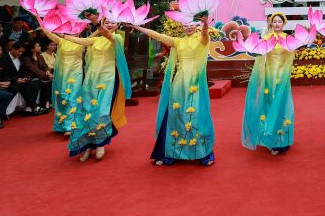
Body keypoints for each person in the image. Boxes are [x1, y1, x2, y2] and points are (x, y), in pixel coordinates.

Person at [131, 16, 215, 166]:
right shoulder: (178, 41)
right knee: (176, 116)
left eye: (191, 25)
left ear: (196, 25)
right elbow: (156, 35)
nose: (188, 27)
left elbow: (205, 33)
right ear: (182, 26)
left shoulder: (202, 39)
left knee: (195, 116)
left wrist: (205, 23)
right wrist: (136, 27)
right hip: (179, 83)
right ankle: (173, 152)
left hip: (195, 83)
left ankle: (202, 153)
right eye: (185, 25)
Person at [59, 21, 132, 161]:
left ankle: (100, 144)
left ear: (118, 25)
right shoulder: (95, 40)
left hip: (108, 79)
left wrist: (97, 23)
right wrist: (62, 35)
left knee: (101, 112)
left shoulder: (117, 38)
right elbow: (81, 41)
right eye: (107, 22)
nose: (110, 24)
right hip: (91, 79)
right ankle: (86, 146)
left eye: (113, 22)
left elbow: (106, 33)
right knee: (86, 111)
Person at [242, 12, 296, 155]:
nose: (277, 24)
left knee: (283, 106)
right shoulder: (266, 38)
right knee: (269, 105)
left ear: (284, 24)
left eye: (280, 21)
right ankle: (271, 139)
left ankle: (283, 139)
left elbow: (292, 56)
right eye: (274, 21)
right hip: (269, 78)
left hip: (283, 79)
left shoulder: (289, 39)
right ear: (271, 23)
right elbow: (260, 57)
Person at [39, 28, 85, 135]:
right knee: (63, 97)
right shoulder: (61, 41)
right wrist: (38, 18)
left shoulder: (83, 41)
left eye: (76, 29)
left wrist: (96, 22)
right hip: (62, 74)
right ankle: (61, 124)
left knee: (72, 97)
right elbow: (47, 32)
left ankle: (70, 126)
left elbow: (96, 33)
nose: (74, 31)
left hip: (76, 74)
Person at [0, 43, 42, 115]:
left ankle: (29, 108)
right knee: (24, 87)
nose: (20, 53)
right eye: (19, 51)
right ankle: (35, 107)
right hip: (8, 81)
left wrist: (24, 78)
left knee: (34, 85)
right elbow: (3, 75)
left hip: (19, 79)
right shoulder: (4, 58)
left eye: (22, 52)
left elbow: (21, 71)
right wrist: (15, 80)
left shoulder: (20, 58)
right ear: (13, 49)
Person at [20, 41, 53, 112]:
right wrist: (46, 74)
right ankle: (32, 107)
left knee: (48, 83)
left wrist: (47, 71)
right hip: (30, 78)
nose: (39, 47)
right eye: (37, 46)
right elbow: (34, 70)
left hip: (39, 77)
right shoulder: (27, 58)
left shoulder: (39, 56)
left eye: (39, 46)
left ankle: (43, 104)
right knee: (41, 84)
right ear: (32, 49)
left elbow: (45, 66)